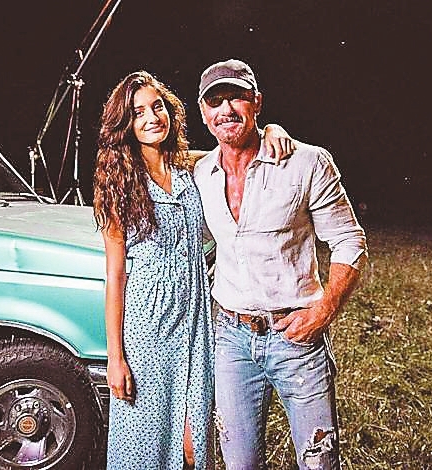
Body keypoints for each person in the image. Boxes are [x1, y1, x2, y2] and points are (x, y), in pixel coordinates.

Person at [92, 71, 295, 470]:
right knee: (145, 445)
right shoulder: (119, 185)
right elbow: (114, 277)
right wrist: (116, 358)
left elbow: (236, 147)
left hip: (198, 321)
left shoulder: (190, 167)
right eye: (138, 112)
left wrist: (272, 128)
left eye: (157, 106)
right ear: (126, 125)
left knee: (193, 445)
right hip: (148, 328)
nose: (152, 117)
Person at [193, 59, 368, 470]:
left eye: (236, 97)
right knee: (240, 463)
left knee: (318, 461)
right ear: (203, 113)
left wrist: (324, 309)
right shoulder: (202, 172)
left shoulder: (307, 163)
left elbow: (349, 240)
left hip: (296, 338)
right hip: (231, 339)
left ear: (257, 101)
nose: (226, 109)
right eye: (215, 101)